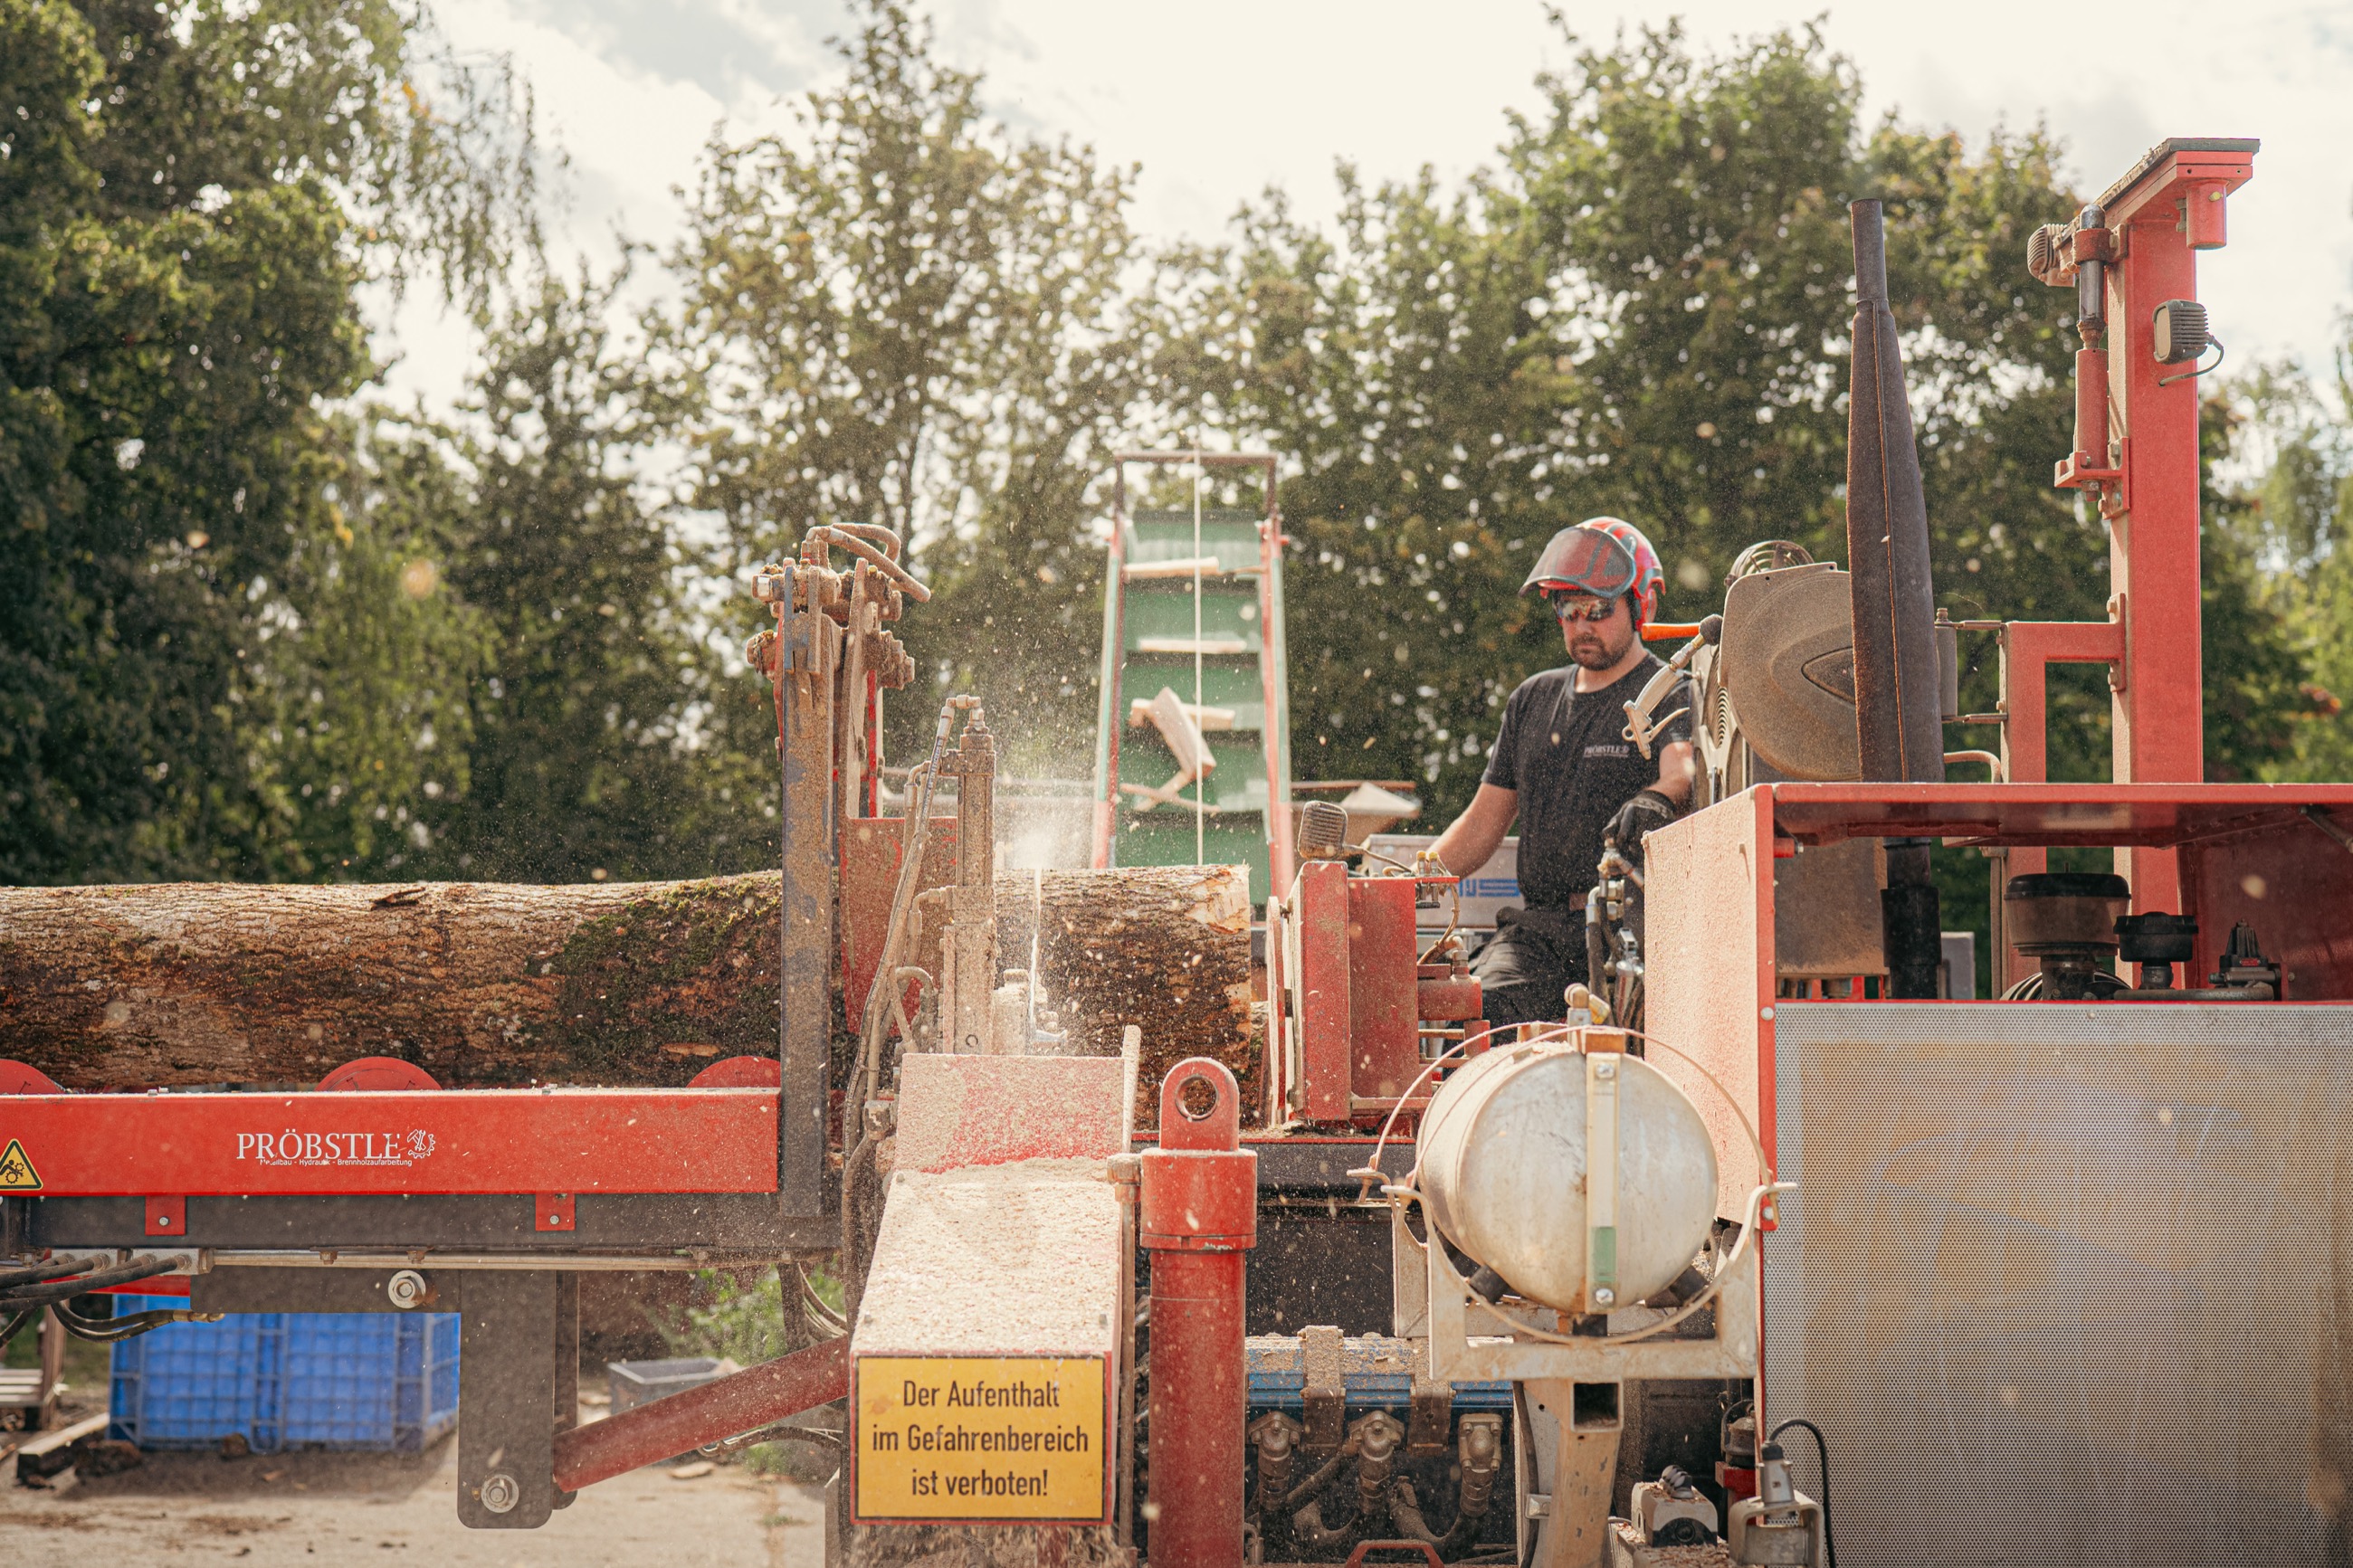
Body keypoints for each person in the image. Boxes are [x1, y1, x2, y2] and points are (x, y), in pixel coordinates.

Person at [1425, 518, 1696, 1031]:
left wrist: (1656, 799)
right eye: (1568, 610)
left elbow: (1680, 769)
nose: (1580, 625)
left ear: (1646, 605)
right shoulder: (1531, 700)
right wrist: (1406, 883)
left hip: (1635, 931)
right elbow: (1482, 826)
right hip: (1539, 934)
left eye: (1597, 609)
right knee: (1479, 1012)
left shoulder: (1671, 690)